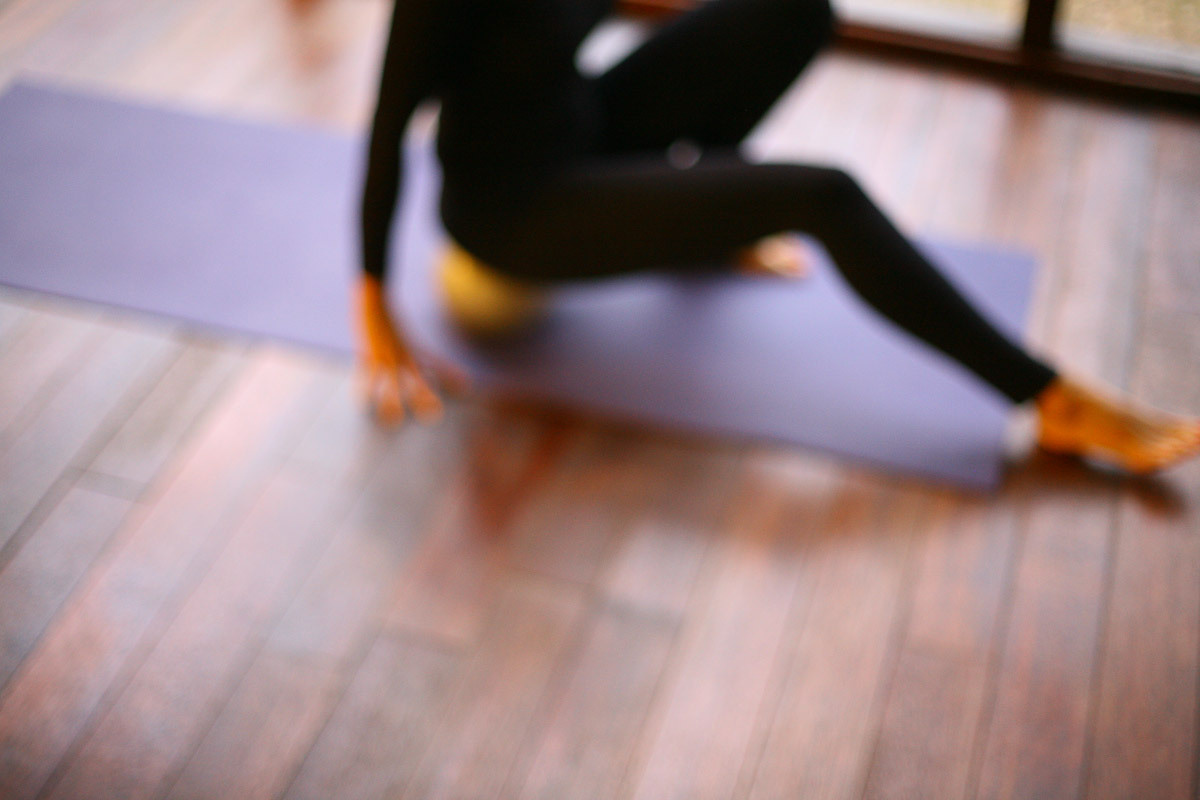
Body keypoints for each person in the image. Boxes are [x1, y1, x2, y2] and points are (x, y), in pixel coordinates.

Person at [354, 0, 1200, 474]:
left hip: (585, 124)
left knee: (796, 10)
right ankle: (1051, 402)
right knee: (822, 195)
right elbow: (387, 132)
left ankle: (713, 225)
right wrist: (374, 313)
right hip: (514, 209)